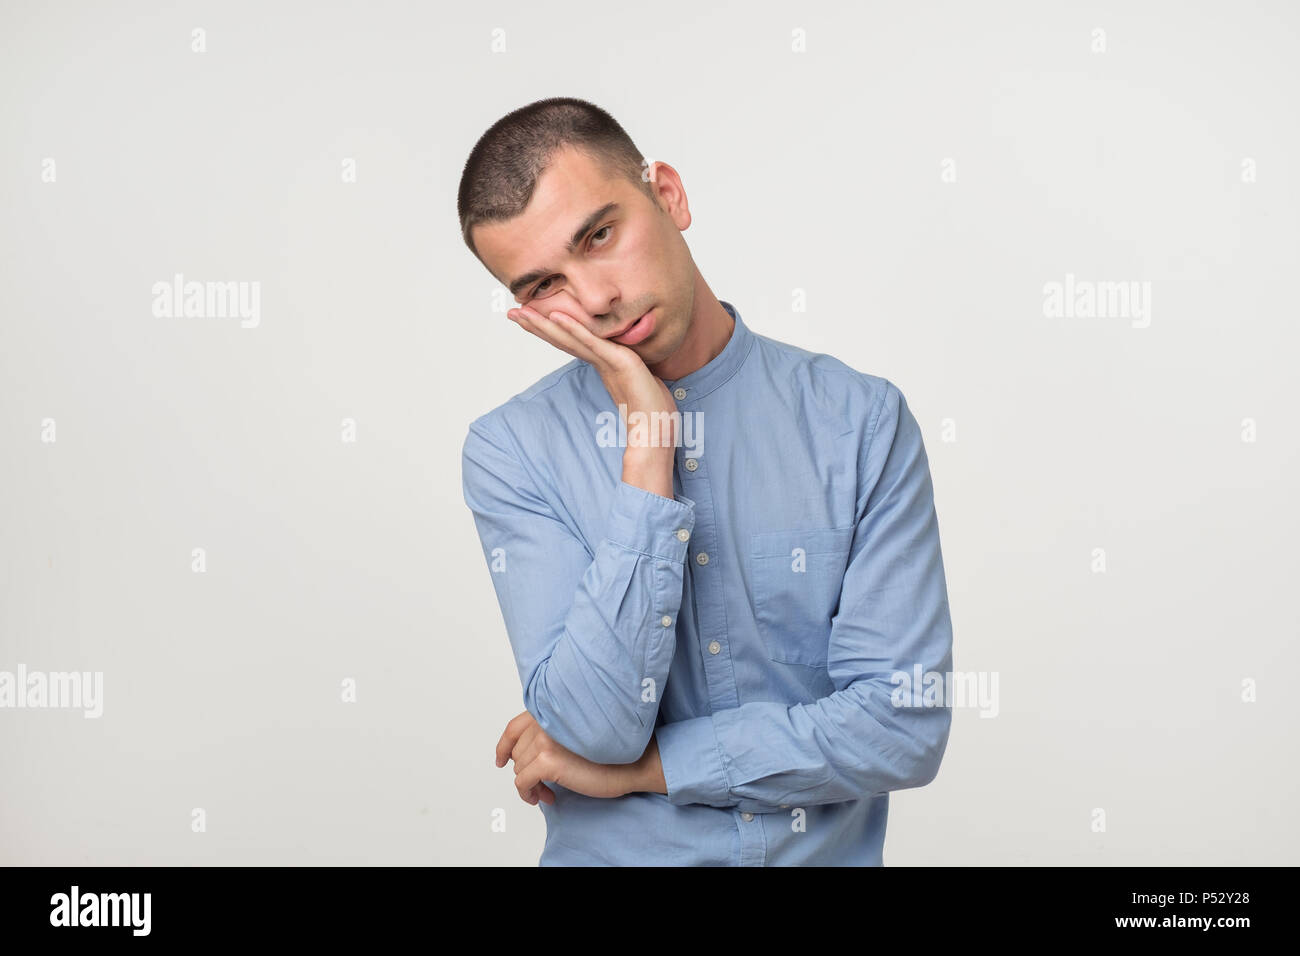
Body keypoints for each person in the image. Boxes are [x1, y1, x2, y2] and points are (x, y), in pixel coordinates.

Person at [458, 96, 953, 866]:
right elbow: (596, 727)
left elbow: (902, 727)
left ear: (669, 195)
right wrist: (649, 456)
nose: (594, 301)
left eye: (599, 235)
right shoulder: (511, 451)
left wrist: (648, 771)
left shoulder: (860, 421)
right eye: (543, 285)